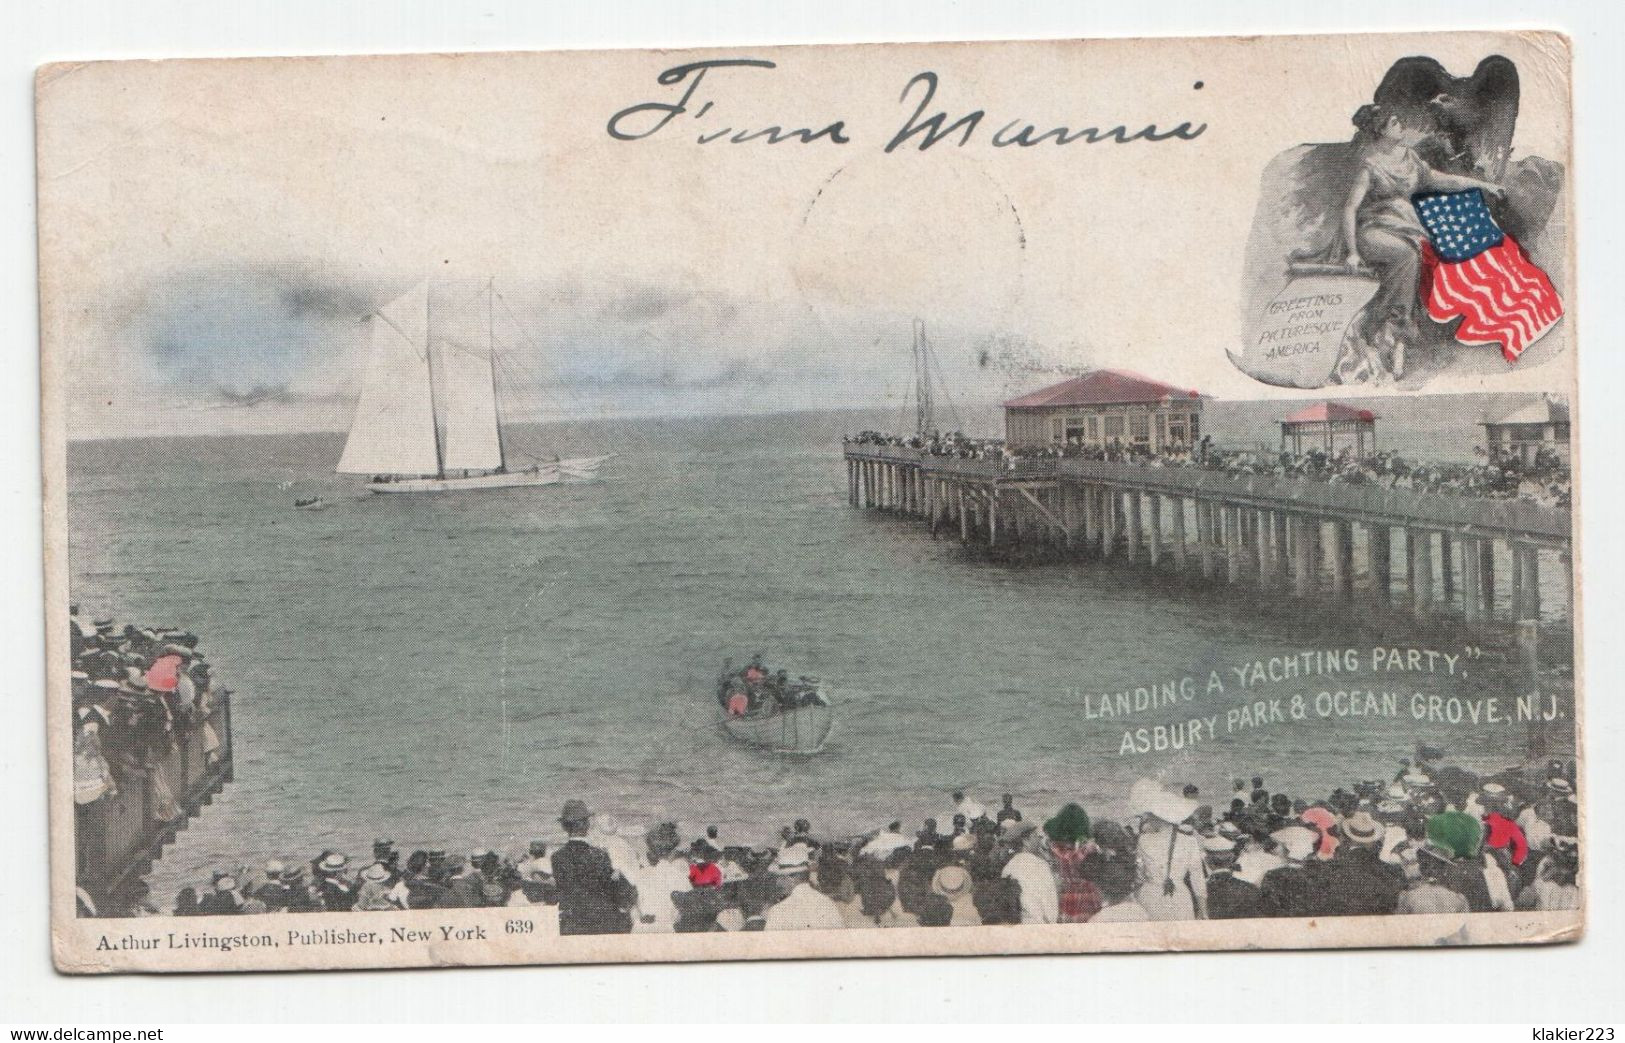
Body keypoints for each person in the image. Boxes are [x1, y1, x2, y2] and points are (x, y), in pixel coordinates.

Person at [551, 800, 635, 934]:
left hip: (573, 923)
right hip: (602, 922)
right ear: (587, 825)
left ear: (564, 827)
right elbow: (612, 890)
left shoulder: (557, 857)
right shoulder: (599, 854)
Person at [1131, 780, 1207, 920]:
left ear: (1157, 817)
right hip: (1180, 897)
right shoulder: (1189, 841)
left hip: (1150, 895)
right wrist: (1203, 911)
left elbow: (1139, 876)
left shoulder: (1143, 840)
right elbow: (1197, 878)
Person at [762, 844, 844, 931]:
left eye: (781, 877)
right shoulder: (827, 904)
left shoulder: (778, 911)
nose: (778, 883)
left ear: (791, 877)